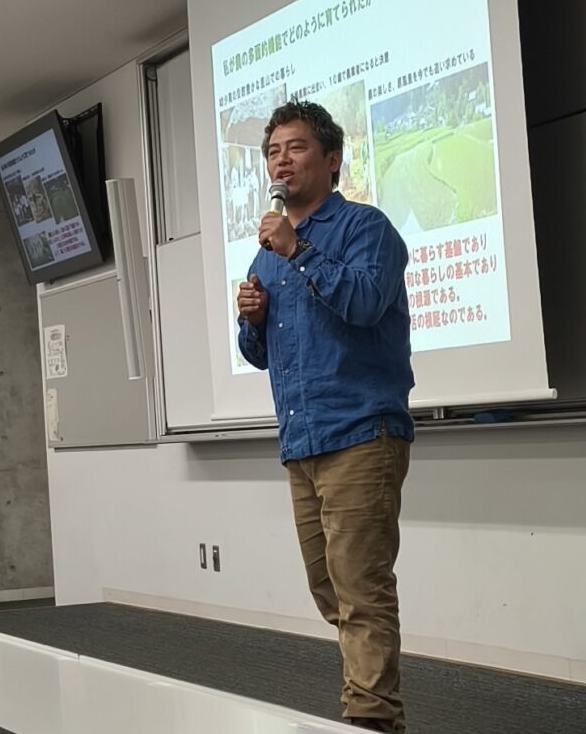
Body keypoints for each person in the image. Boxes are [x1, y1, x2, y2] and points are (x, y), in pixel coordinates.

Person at [235, 100, 414, 733]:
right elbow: (261, 353)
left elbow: (365, 302)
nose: (280, 161)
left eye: (296, 148)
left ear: (332, 160)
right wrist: (251, 320)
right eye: (272, 151)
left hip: (361, 431)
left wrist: (298, 250)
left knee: (361, 590)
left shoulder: (366, 228)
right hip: (302, 440)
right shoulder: (265, 253)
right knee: (331, 591)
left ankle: (370, 720)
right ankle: (368, 700)